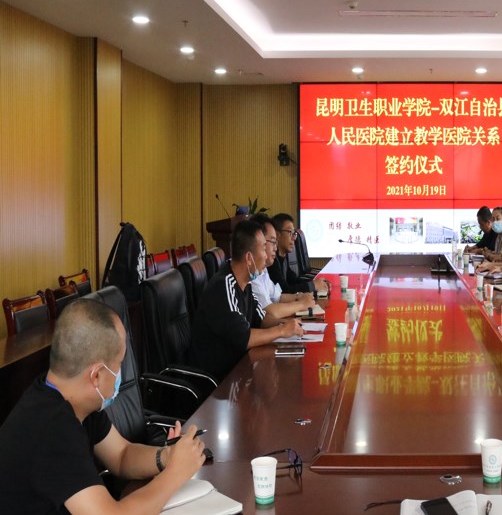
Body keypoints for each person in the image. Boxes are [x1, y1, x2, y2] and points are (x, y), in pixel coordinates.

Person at [0, 299, 206, 513]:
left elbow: (122, 455)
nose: (120, 374)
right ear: (96, 375)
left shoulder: (70, 397)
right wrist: (175, 473)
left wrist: (167, 457)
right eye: (119, 364)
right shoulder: (52, 428)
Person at [189, 218, 305, 381]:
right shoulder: (224, 286)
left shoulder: (246, 283)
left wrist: (288, 325)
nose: (266, 255)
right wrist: (281, 331)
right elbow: (245, 338)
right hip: (218, 381)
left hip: (240, 371)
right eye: (264, 248)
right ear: (249, 258)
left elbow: (261, 318)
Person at [250, 213, 317, 319]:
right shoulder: (252, 273)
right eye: (272, 242)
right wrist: (301, 304)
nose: (275, 248)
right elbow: (269, 311)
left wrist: (299, 296)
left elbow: (278, 297)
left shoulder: (263, 270)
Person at [267, 213, 328, 295]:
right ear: (277, 235)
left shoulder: (283, 256)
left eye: (294, 233)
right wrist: (312, 285)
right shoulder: (271, 261)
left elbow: (294, 281)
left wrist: (318, 283)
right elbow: (283, 290)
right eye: (290, 232)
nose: (294, 238)